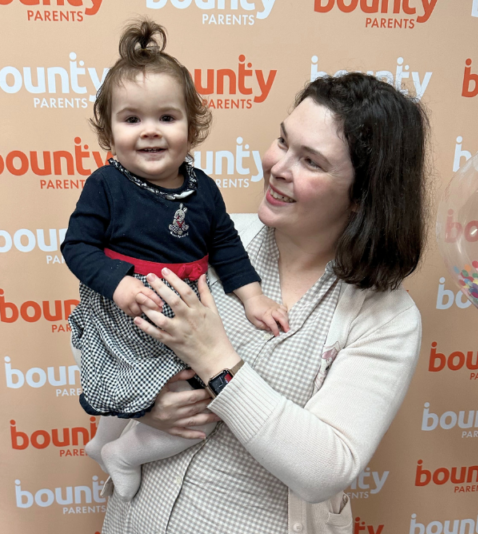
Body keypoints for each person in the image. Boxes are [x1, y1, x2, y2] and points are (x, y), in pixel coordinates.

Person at [80, 70, 428, 534]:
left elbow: (326, 469)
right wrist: (141, 402)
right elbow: (106, 328)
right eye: (283, 142)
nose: (279, 167)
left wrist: (216, 360)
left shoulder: (385, 317)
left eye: (311, 162)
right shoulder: (203, 235)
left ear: (362, 198)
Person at [62, 20, 287, 500]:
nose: (150, 132)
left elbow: (225, 246)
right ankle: (105, 443)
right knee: (123, 391)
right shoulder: (106, 185)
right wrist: (119, 284)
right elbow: (77, 246)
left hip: (182, 311)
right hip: (125, 310)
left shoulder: (203, 190)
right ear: (108, 130)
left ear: (192, 126)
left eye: (166, 118)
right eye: (131, 120)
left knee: (198, 407)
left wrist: (253, 298)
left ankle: (124, 452)